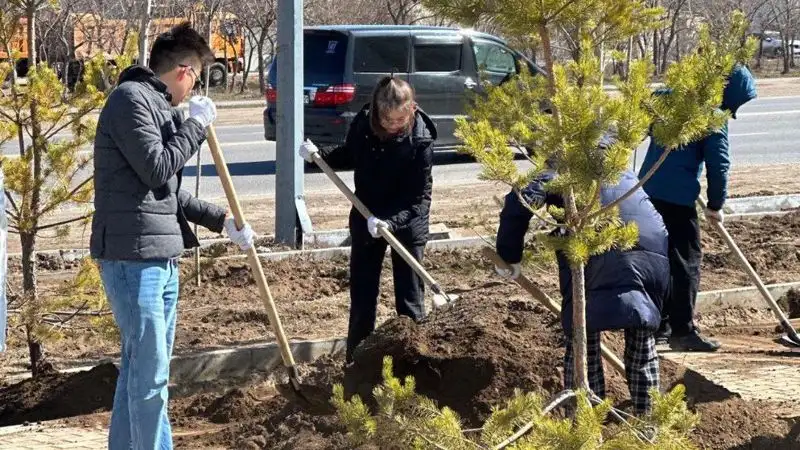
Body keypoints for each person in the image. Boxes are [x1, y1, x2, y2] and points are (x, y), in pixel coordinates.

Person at [91, 23, 255, 450]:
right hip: (133, 258)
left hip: (160, 255)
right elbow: (157, 168)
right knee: (151, 376)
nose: (196, 88)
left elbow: (166, 192)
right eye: (198, 75)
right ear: (184, 70)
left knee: (140, 372)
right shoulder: (130, 101)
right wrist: (194, 127)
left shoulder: (158, 107)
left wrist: (222, 222)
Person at [494, 135, 669, 415]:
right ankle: (651, 423)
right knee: (641, 336)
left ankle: (585, 422)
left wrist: (509, 257)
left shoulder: (558, 167)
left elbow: (519, 204)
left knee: (582, 343)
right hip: (652, 246)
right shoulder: (615, 161)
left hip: (595, 252)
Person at [299, 77, 437, 363]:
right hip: (365, 212)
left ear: (411, 109)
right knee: (362, 296)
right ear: (377, 110)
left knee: (409, 300)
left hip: (408, 220)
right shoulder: (364, 124)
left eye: (400, 118)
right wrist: (318, 155)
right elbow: (351, 154)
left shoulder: (421, 139)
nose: (393, 125)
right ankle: (357, 363)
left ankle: (413, 366)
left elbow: (417, 199)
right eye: (387, 119)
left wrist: (390, 222)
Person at [639, 64, 757, 352]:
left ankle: (662, 325)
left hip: (645, 192)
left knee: (661, 261)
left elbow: (643, 114)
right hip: (677, 200)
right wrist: (716, 205)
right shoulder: (713, 116)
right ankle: (683, 331)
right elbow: (719, 166)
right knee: (685, 263)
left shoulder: (669, 98)